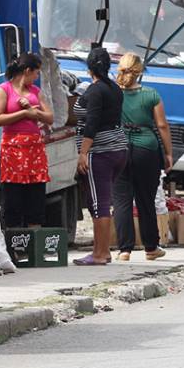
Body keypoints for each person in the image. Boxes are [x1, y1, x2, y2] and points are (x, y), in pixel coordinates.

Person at [112, 52, 170, 261]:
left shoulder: (113, 94)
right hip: (146, 150)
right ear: (140, 71)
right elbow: (162, 125)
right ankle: (151, 247)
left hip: (119, 148)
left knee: (121, 200)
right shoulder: (151, 94)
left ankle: (124, 250)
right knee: (146, 199)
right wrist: (168, 153)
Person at [72, 47, 128, 266]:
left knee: (99, 203)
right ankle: (102, 251)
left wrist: (83, 153)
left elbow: (92, 123)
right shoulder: (115, 88)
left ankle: (100, 253)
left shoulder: (96, 91)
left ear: (89, 68)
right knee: (100, 200)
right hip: (118, 148)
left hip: (100, 152)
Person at [0, 53, 54, 228]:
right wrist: (24, 113)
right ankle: (15, 237)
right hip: (13, 151)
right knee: (13, 197)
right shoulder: (4, 90)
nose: (37, 77)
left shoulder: (35, 92)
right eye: (36, 73)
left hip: (34, 151)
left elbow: (50, 117)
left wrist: (36, 113)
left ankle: (35, 235)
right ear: (27, 71)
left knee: (35, 197)